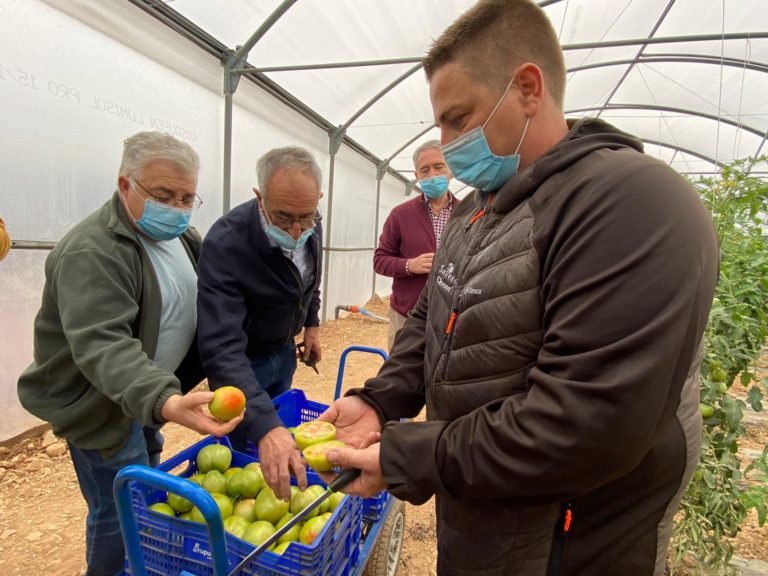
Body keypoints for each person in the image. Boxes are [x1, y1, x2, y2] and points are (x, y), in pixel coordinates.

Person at [317, 1, 720, 575]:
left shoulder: (631, 204)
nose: (447, 143)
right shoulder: (478, 207)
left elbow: (580, 426)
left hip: (569, 538)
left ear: (529, 89)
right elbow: (435, 313)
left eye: (458, 118)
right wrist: (381, 400)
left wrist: (412, 453)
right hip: (481, 507)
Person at [17, 131, 241, 576]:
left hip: (147, 395)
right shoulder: (92, 251)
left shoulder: (182, 238)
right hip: (100, 405)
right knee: (119, 512)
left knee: (146, 485)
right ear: (125, 185)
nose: (177, 208)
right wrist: (167, 400)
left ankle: (142, 561)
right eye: (163, 195)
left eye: (186, 197)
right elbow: (105, 345)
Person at [197, 146, 323, 500]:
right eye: (283, 218)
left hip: (282, 353)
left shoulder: (313, 222)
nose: (297, 230)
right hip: (243, 364)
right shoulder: (226, 244)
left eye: (307, 217)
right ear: (259, 197)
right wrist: (265, 427)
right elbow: (222, 348)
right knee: (246, 448)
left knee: (281, 421)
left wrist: (311, 323)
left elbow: (312, 279)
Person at [374, 141, 459, 349]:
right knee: (403, 374)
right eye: (424, 170)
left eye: (439, 167)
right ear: (417, 176)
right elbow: (380, 260)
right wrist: (409, 265)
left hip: (451, 316)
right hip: (407, 316)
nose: (432, 175)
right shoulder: (401, 215)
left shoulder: (466, 213)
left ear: (451, 170)